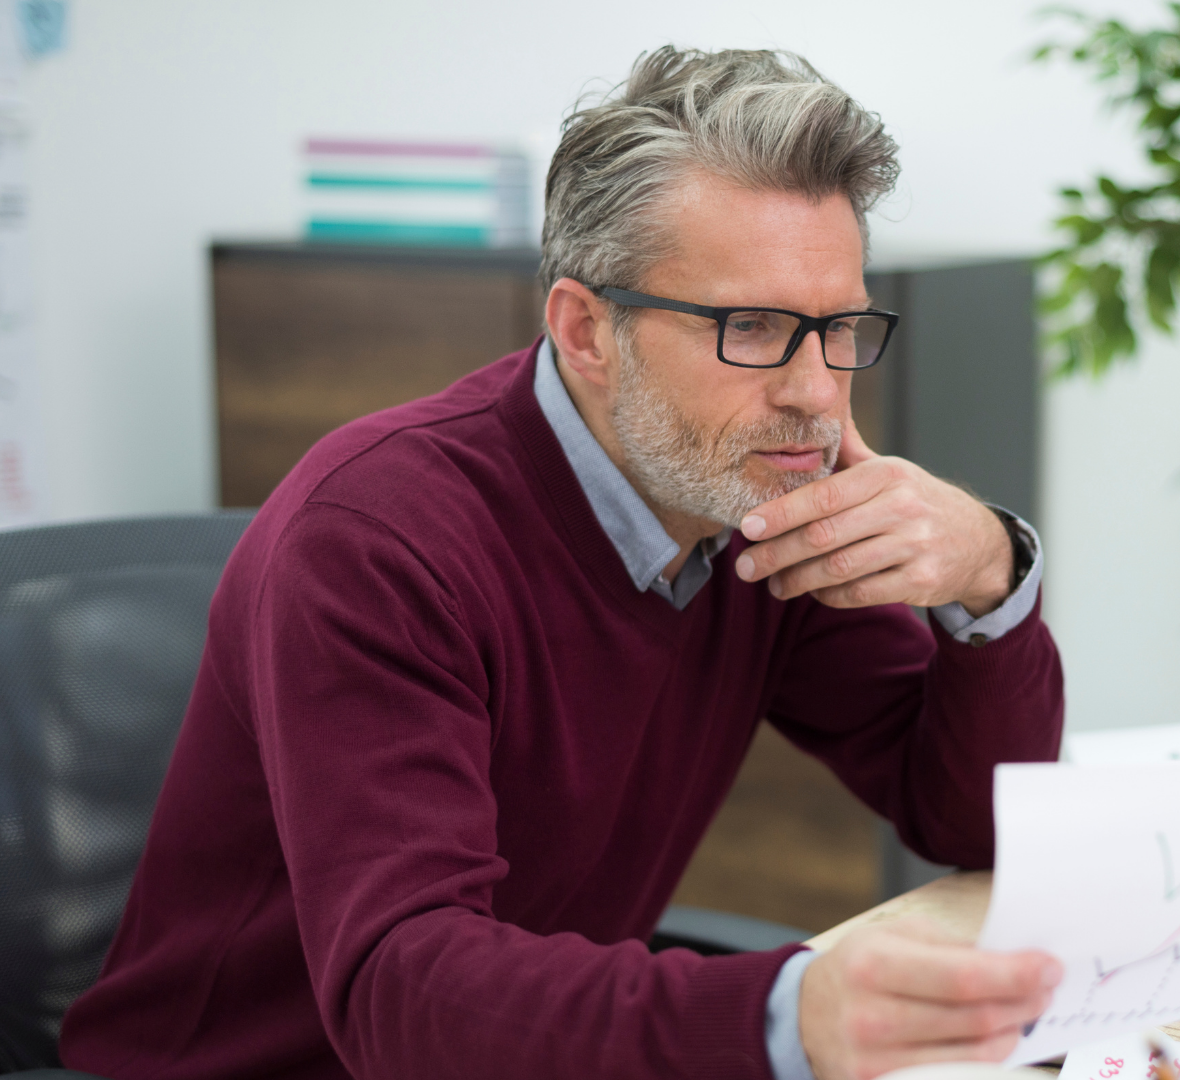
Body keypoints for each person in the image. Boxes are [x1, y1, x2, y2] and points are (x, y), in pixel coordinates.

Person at [59, 46, 1064, 1080]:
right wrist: (787, 1010)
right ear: (587, 329)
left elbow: (967, 820)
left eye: (839, 327)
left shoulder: (758, 506)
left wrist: (989, 577)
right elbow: (399, 989)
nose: (816, 391)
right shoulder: (376, 538)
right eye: (753, 328)